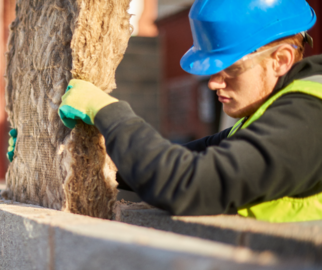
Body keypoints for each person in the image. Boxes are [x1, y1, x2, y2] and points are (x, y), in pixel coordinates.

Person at [57, 0, 322, 223]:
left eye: (230, 68)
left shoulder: (311, 118)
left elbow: (185, 183)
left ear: (281, 60)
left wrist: (109, 113)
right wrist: (65, 157)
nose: (214, 82)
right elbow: (179, 160)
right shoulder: (270, 113)